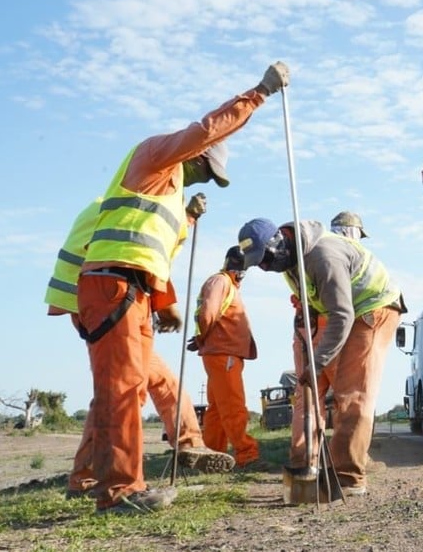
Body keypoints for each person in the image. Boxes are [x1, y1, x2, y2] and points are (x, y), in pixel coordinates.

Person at [76, 61, 289, 515]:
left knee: (130, 387)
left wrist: (186, 224)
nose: (204, 178)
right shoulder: (156, 154)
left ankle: (122, 483)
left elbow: (154, 250)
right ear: (196, 155)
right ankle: (116, 491)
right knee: (118, 390)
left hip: (132, 291)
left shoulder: (166, 191)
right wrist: (259, 93)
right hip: (112, 286)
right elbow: (204, 129)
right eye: (206, 170)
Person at [46, 197, 237, 500]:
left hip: (101, 300)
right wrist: (166, 305)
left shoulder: (117, 206)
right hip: (109, 300)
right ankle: (104, 482)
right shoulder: (134, 210)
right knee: (120, 393)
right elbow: (147, 254)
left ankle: (186, 444)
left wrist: (187, 218)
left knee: (146, 383)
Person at [237, 217, 404, 497]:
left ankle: (349, 478)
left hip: (375, 308)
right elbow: (317, 301)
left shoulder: (323, 256)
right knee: (337, 393)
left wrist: (318, 362)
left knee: (352, 393)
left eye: (264, 259)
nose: (264, 268)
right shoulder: (289, 262)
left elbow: (341, 314)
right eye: (257, 263)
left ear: (279, 242)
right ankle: (319, 465)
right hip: (344, 312)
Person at [190, 246, 260, 469]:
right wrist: (202, 339)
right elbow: (208, 313)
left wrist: (202, 339)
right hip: (224, 354)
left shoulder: (226, 283)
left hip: (221, 353)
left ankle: (212, 456)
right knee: (232, 406)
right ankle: (247, 455)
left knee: (218, 409)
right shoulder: (221, 282)